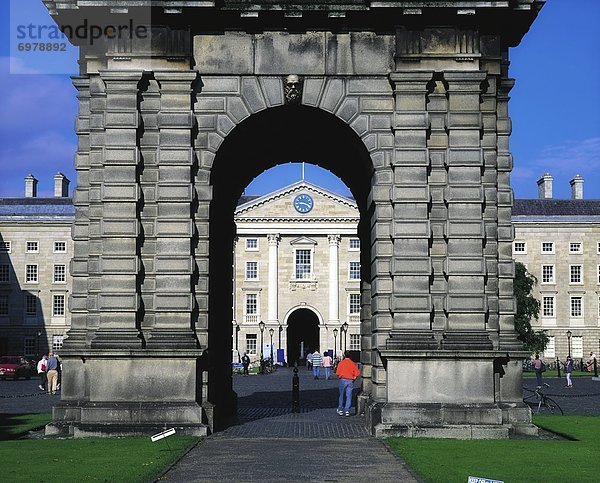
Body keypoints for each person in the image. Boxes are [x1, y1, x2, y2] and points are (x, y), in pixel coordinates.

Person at [336, 350, 360, 417]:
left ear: (344, 355)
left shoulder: (341, 363)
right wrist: (353, 378)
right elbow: (357, 373)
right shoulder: (353, 363)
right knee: (349, 396)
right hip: (350, 380)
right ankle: (347, 410)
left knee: (341, 395)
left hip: (343, 380)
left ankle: (340, 409)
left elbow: (338, 373)